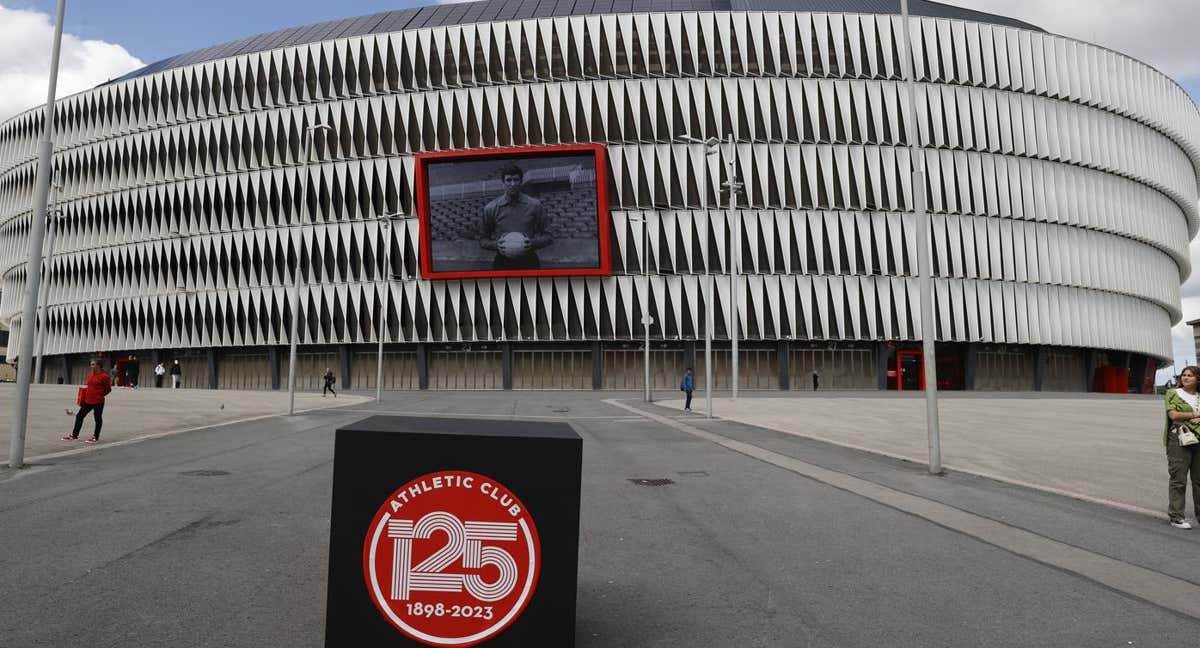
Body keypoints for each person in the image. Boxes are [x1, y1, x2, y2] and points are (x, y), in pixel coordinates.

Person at [478, 164, 552, 270]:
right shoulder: (491, 208)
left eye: (516, 180)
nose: (512, 184)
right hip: (502, 262)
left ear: (521, 181)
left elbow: (549, 236)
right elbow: (483, 239)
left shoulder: (535, 205)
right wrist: (496, 245)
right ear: (503, 182)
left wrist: (533, 243)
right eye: (508, 180)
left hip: (529, 261)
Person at [1165, 366, 1200, 529]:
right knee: (1178, 479)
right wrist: (1195, 415)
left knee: (1198, 481)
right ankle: (1176, 516)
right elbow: (1173, 415)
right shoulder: (1173, 393)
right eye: (1184, 375)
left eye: (1190, 376)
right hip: (1179, 439)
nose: (1185, 378)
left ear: (1197, 379)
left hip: (1198, 440)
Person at [62, 358, 112, 444]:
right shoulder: (90, 374)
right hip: (87, 400)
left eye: (93, 364)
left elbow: (108, 389)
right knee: (79, 416)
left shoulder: (104, 376)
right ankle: (74, 435)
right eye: (91, 364)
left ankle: (95, 437)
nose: (91, 366)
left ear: (98, 365)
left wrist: (99, 395)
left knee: (97, 419)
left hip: (98, 401)